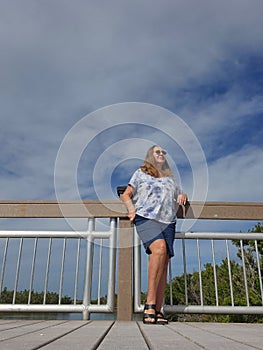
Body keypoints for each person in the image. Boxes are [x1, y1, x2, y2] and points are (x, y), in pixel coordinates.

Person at [121, 145, 187, 325]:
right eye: (158, 152)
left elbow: (177, 193)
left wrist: (182, 193)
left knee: (163, 263)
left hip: (168, 222)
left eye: (164, 152)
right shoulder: (141, 173)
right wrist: (131, 209)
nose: (162, 154)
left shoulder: (170, 179)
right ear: (150, 156)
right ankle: (149, 304)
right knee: (159, 249)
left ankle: (158, 309)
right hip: (146, 217)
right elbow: (126, 195)